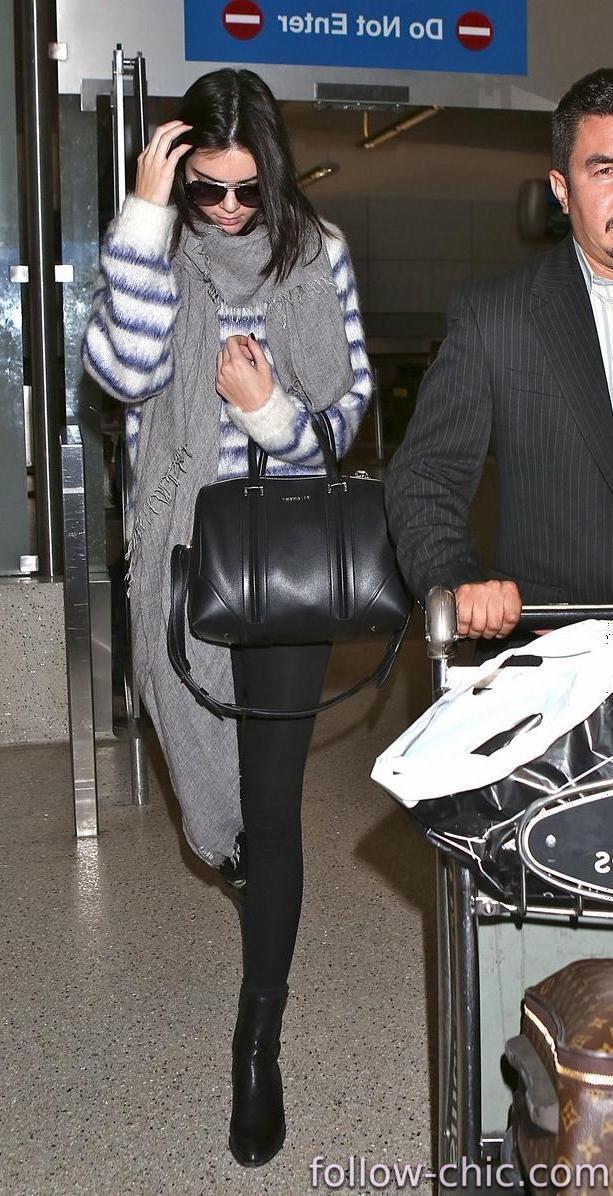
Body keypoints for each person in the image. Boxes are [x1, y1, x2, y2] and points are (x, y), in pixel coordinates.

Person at [82, 69, 372, 1167]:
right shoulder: (156, 250)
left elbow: (342, 417)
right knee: (226, 820)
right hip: (181, 554)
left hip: (285, 563)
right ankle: (244, 866)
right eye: (210, 189)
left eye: (251, 189)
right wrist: (144, 220)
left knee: (276, 807)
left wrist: (267, 411)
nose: (233, 209)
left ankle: (259, 1042)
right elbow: (120, 374)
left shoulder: (319, 252)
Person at [385, 68, 613, 644]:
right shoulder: (497, 316)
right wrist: (459, 581)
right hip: (560, 649)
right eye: (604, 170)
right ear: (561, 189)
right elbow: (426, 479)